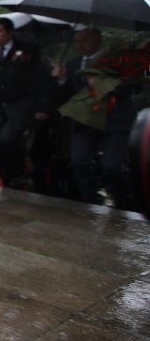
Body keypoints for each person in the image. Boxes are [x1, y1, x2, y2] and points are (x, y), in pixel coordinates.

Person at [0, 16, 54, 190]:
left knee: (9, 138)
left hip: (20, 103)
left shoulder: (28, 51)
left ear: (10, 32)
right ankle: (9, 181)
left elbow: (42, 79)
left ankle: (19, 173)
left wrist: (44, 106)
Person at [53, 27, 136, 207]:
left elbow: (131, 88)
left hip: (114, 121)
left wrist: (105, 85)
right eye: (77, 41)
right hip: (84, 122)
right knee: (79, 162)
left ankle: (125, 201)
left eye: (85, 40)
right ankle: (90, 200)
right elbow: (68, 95)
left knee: (111, 166)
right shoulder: (73, 64)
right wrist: (61, 80)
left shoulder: (116, 61)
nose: (80, 45)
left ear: (97, 41)